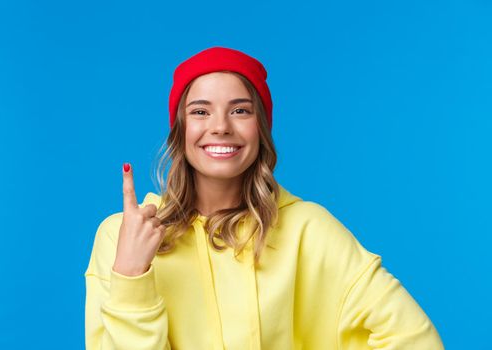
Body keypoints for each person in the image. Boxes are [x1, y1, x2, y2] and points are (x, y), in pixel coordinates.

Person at [84, 46, 444, 349]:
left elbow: (415, 338)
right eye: (200, 111)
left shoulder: (309, 229)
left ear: (262, 128)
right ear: (180, 130)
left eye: (240, 110)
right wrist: (132, 276)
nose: (221, 125)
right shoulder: (120, 237)